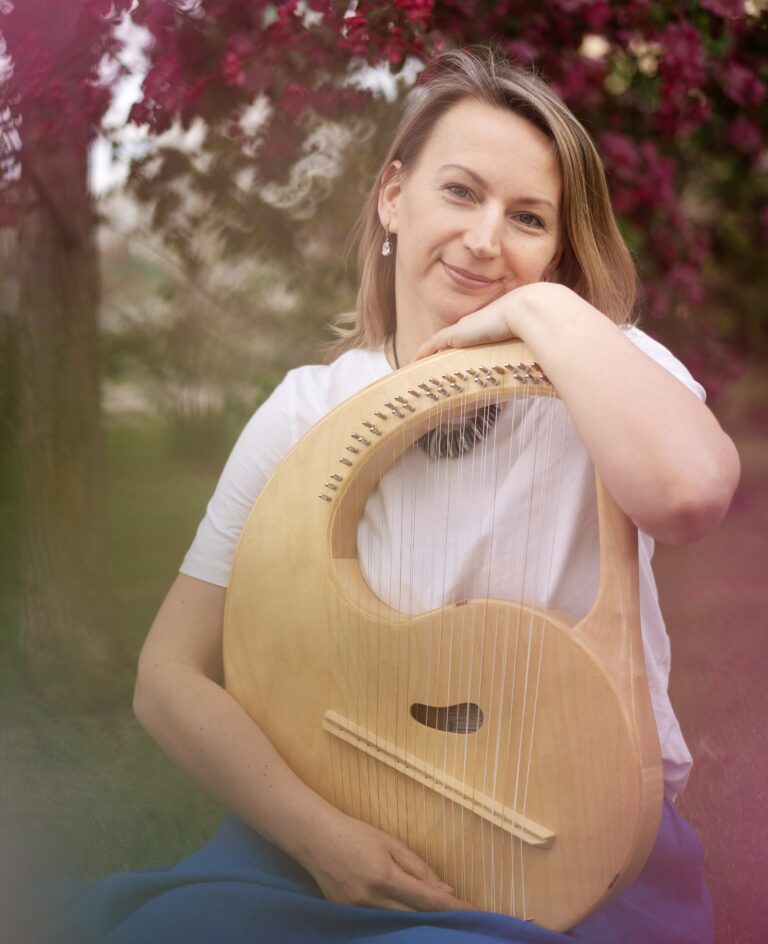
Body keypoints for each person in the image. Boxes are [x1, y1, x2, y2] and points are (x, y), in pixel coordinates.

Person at [32, 47, 739, 944]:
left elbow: (688, 496)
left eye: (528, 217)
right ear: (392, 196)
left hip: (574, 842)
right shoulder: (309, 410)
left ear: (559, 247)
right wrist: (321, 837)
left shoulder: (604, 366)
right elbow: (168, 677)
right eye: (460, 192)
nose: (486, 239)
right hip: (327, 825)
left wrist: (546, 313)